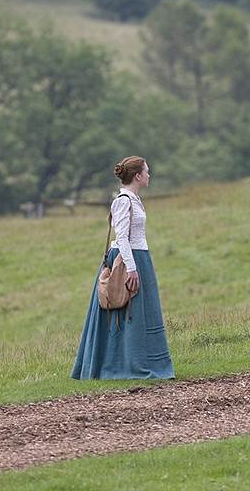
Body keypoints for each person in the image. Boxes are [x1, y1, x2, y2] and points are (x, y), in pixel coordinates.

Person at [72, 156, 175, 380]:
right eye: (147, 171)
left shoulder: (135, 199)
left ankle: (145, 361)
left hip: (140, 258)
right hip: (127, 260)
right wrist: (131, 268)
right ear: (137, 175)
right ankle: (120, 365)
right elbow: (123, 237)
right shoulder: (123, 201)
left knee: (142, 313)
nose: (149, 175)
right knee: (124, 310)